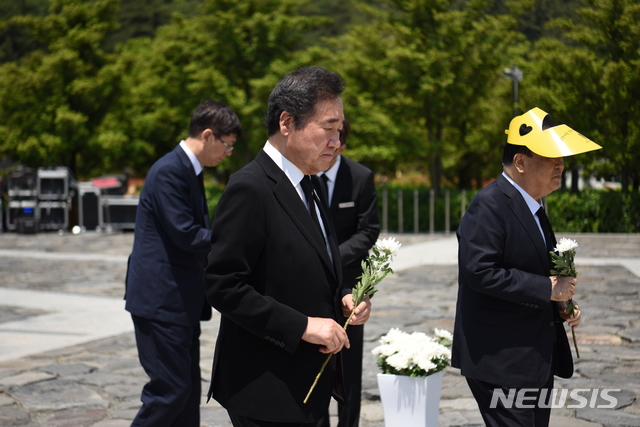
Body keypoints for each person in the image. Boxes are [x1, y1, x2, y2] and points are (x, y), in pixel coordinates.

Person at [203, 66, 373, 427]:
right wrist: (303, 326)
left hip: (307, 384)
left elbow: (316, 261)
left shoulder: (307, 182)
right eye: (328, 128)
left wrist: (345, 294)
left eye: (339, 130)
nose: (336, 141)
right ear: (286, 123)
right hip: (267, 387)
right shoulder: (250, 188)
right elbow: (223, 285)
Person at [452, 107, 602, 426]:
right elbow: (479, 271)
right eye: (551, 157)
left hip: (530, 357)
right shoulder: (490, 204)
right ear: (521, 162)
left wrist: (560, 304)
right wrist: (547, 288)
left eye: (562, 157)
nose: (560, 164)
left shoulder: (532, 205)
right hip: (499, 359)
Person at [125, 99, 241, 427]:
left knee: (188, 392)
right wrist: (234, 238)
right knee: (169, 391)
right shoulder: (169, 170)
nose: (228, 153)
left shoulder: (189, 169)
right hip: (161, 300)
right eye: (227, 145)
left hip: (180, 301)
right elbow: (186, 234)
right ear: (208, 135)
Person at [317, 119, 380, 427]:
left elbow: (369, 230)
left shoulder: (360, 176)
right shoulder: (305, 174)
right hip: (312, 280)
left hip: (351, 282)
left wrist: (333, 256)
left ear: (343, 143)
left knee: (349, 364)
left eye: (337, 139)